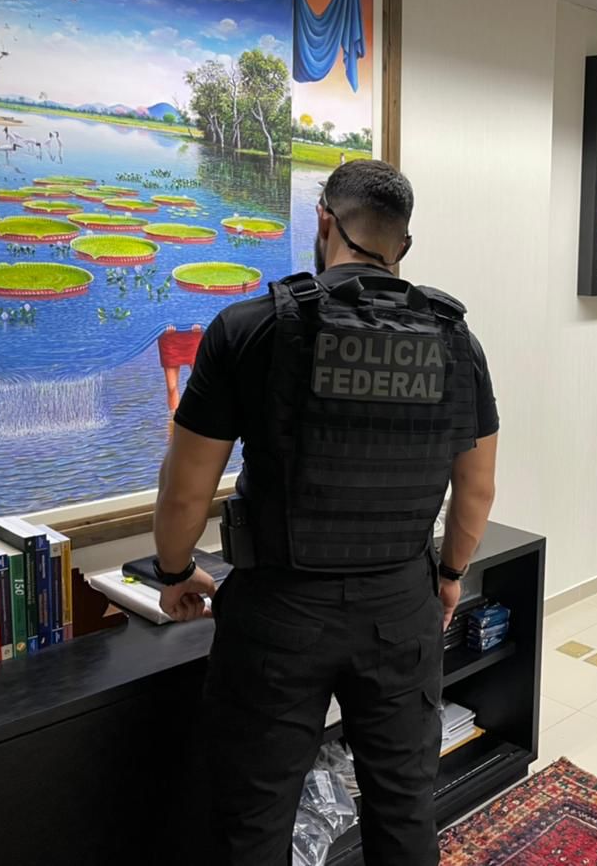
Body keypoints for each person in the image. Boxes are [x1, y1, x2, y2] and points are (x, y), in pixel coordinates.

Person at [152, 160, 499, 865]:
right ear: (404, 244)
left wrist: (175, 571)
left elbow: (186, 489)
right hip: (401, 606)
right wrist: (450, 574)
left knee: (254, 820)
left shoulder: (250, 327)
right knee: (403, 808)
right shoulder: (456, 340)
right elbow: (477, 489)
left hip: (277, 611)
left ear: (323, 222)